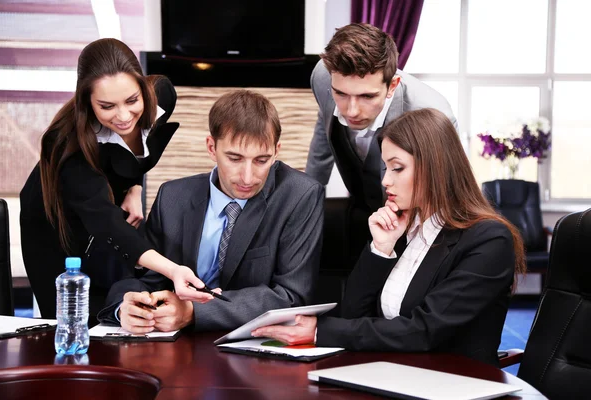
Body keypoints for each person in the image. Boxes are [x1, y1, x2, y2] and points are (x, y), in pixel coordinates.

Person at [253, 108, 526, 367]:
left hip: (452, 383)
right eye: (385, 168)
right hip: (391, 373)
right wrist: (381, 249)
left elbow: (424, 330)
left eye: (397, 168)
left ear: (436, 168)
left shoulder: (488, 240)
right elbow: (352, 315)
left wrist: (319, 331)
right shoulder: (403, 228)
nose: (385, 181)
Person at [97, 89, 324, 333]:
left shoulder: (300, 195)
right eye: (234, 158)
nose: (248, 177)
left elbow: (291, 296)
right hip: (175, 347)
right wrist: (127, 307)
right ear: (211, 147)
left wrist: (194, 313)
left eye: (261, 160)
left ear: (276, 151)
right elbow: (147, 280)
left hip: (255, 349)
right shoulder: (172, 197)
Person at [20, 38, 213, 319]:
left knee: (122, 300)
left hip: (107, 203)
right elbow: (106, 222)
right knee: (71, 314)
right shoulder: (68, 147)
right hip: (55, 218)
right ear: (87, 102)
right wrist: (173, 269)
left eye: (132, 100)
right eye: (107, 106)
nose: (124, 116)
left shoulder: (161, 96)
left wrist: (134, 188)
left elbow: (137, 156)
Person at [305, 22, 458, 268]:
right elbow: (324, 133)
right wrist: (307, 204)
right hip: (361, 211)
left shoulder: (430, 112)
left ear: (392, 85)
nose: (351, 110)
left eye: (367, 96)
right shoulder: (322, 77)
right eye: (341, 94)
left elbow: (447, 193)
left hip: (414, 226)